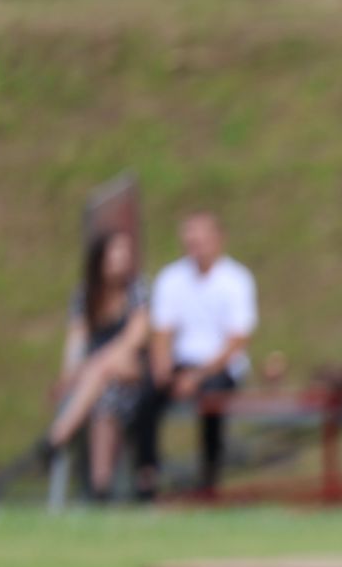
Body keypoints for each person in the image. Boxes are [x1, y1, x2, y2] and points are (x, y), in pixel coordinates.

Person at [141, 213, 257, 498]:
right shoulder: (172, 278)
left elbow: (236, 340)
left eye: (202, 239)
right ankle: (146, 473)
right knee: (144, 396)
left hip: (219, 366)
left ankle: (209, 479)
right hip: (182, 362)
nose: (196, 245)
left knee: (213, 400)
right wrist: (162, 367)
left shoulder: (236, 280)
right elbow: (162, 331)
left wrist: (198, 376)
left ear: (218, 240)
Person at [47, 231, 150, 504]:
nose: (122, 259)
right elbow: (76, 341)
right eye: (116, 253)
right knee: (104, 396)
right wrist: (68, 376)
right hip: (101, 385)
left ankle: (57, 438)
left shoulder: (136, 291)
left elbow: (133, 341)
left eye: (126, 253)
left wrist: (91, 366)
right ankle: (100, 486)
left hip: (133, 376)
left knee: (105, 371)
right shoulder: (85, 295)